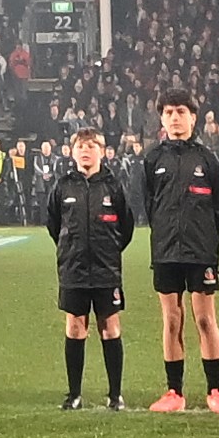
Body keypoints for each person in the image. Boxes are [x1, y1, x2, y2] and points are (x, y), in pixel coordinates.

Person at [132, 96, 219, 413]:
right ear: (161, 120)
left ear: (193, 118)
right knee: (172, 319)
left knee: (205, 319)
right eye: (167, 113)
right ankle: (174, 392)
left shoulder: (207, 159)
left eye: (180, 112)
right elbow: (149, 205)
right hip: (166, 251)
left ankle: (215, 390)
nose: (174, 117)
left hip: (201, 251)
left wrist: (207, 241)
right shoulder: (153, 159)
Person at [39, 127, 138, 410]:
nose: (86, 150)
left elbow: (126, 228)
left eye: (92, 145)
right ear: (72, 152)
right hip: (74, 269)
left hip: (106, 270)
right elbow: (54, 225)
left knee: (110, 327)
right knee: (74, 327)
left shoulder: (114, 186)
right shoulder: (62, 186)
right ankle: (74, 395)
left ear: (103, 152)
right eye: (81, 146)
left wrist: (108, 250)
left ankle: (115, 395)